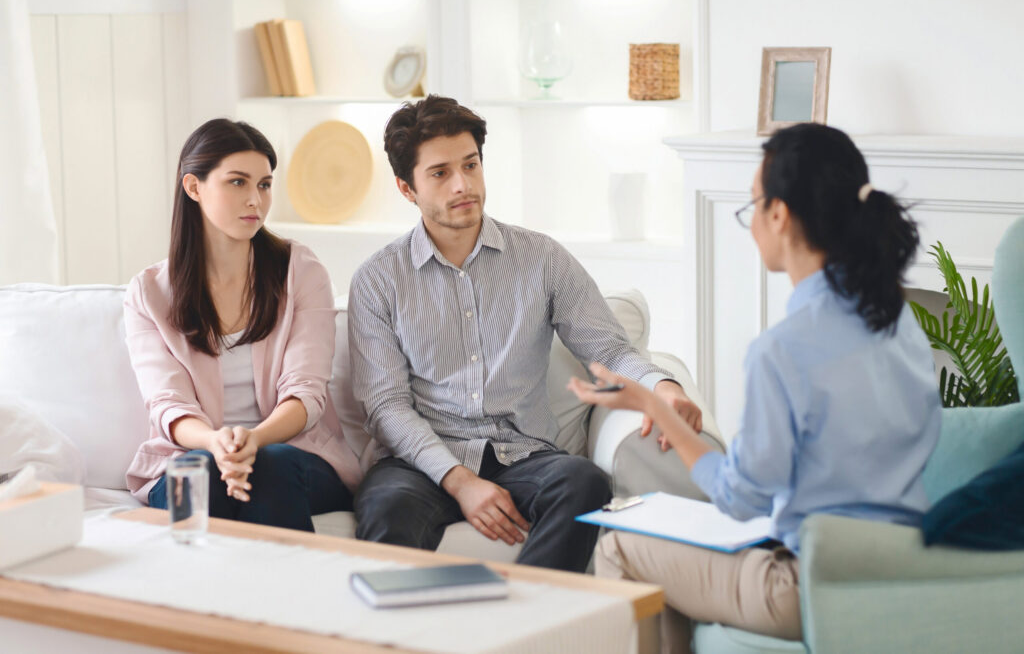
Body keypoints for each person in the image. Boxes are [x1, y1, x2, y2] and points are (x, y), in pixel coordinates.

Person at [569, 123, 942, 651]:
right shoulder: (900, 322)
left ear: (779, 215)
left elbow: (741, 497)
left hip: (808, 586)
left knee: (621, 547)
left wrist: (660, 410)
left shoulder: (783, 350)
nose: (750, 226)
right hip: (899, 573)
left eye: (752, 207)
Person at [347, 94, 703, 572]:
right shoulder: (377, 281)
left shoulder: (542, 258)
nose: (462, 185)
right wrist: (459, 480)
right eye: (440, 173)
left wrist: (664, 388)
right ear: (406, 188)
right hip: (421, 463)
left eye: (470, 165)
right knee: (384, 508)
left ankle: (530, 619)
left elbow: (610, 348)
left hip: (525, 456)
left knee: (585, 484)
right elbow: (387, 406)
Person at [123, 118, 363, 531]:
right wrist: (217, 444)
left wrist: (254, 441)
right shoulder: (149, 293)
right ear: (194, 187)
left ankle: (276, 595)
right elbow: (168, 404)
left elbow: (306, 392)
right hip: (196, 454)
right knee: (199, 472)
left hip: (294, 455)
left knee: (271, 464)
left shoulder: (300, 272)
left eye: (265, 185)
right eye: (237, 183)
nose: (256, 199)